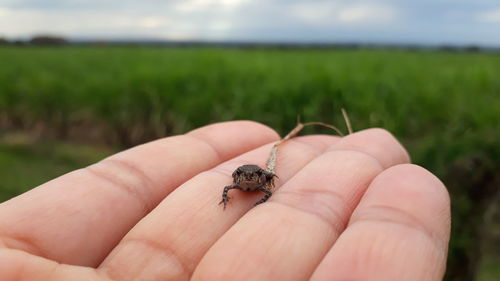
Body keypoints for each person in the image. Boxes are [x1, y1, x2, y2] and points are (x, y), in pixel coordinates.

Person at [0, 121, 451, 281]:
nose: (250, 180)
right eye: (248, 178)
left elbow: (262, 184)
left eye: (255, 178)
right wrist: (229, 195)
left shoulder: (260, 181)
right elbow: (229, 185)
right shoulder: (238, 183)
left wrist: (264, 195)